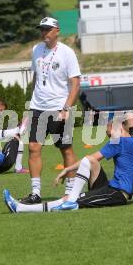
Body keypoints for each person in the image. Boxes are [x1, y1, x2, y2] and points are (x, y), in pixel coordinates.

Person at [4, 116, 133, 213]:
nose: (108, 135)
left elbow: (91, 157)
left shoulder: (118, 142)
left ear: (118, 128)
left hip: (117, 195)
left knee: (69, 200)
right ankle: (71, 199)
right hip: (111, 187)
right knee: (88, 162)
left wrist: (66, 170)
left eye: (108, 132)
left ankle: (20, 208)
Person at [21, 16, 81, 204]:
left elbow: (75, 83)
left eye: (47, 29)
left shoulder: (67, 53)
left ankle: (71, 192)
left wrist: (66, 109)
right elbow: (36, 78)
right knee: (33, 148)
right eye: (41, 29)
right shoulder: (36, 50)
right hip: (38, 107)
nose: (44, 33)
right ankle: (35, 193)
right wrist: (30, 102)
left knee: (66, 150)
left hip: (59, 109)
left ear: (57, 31)